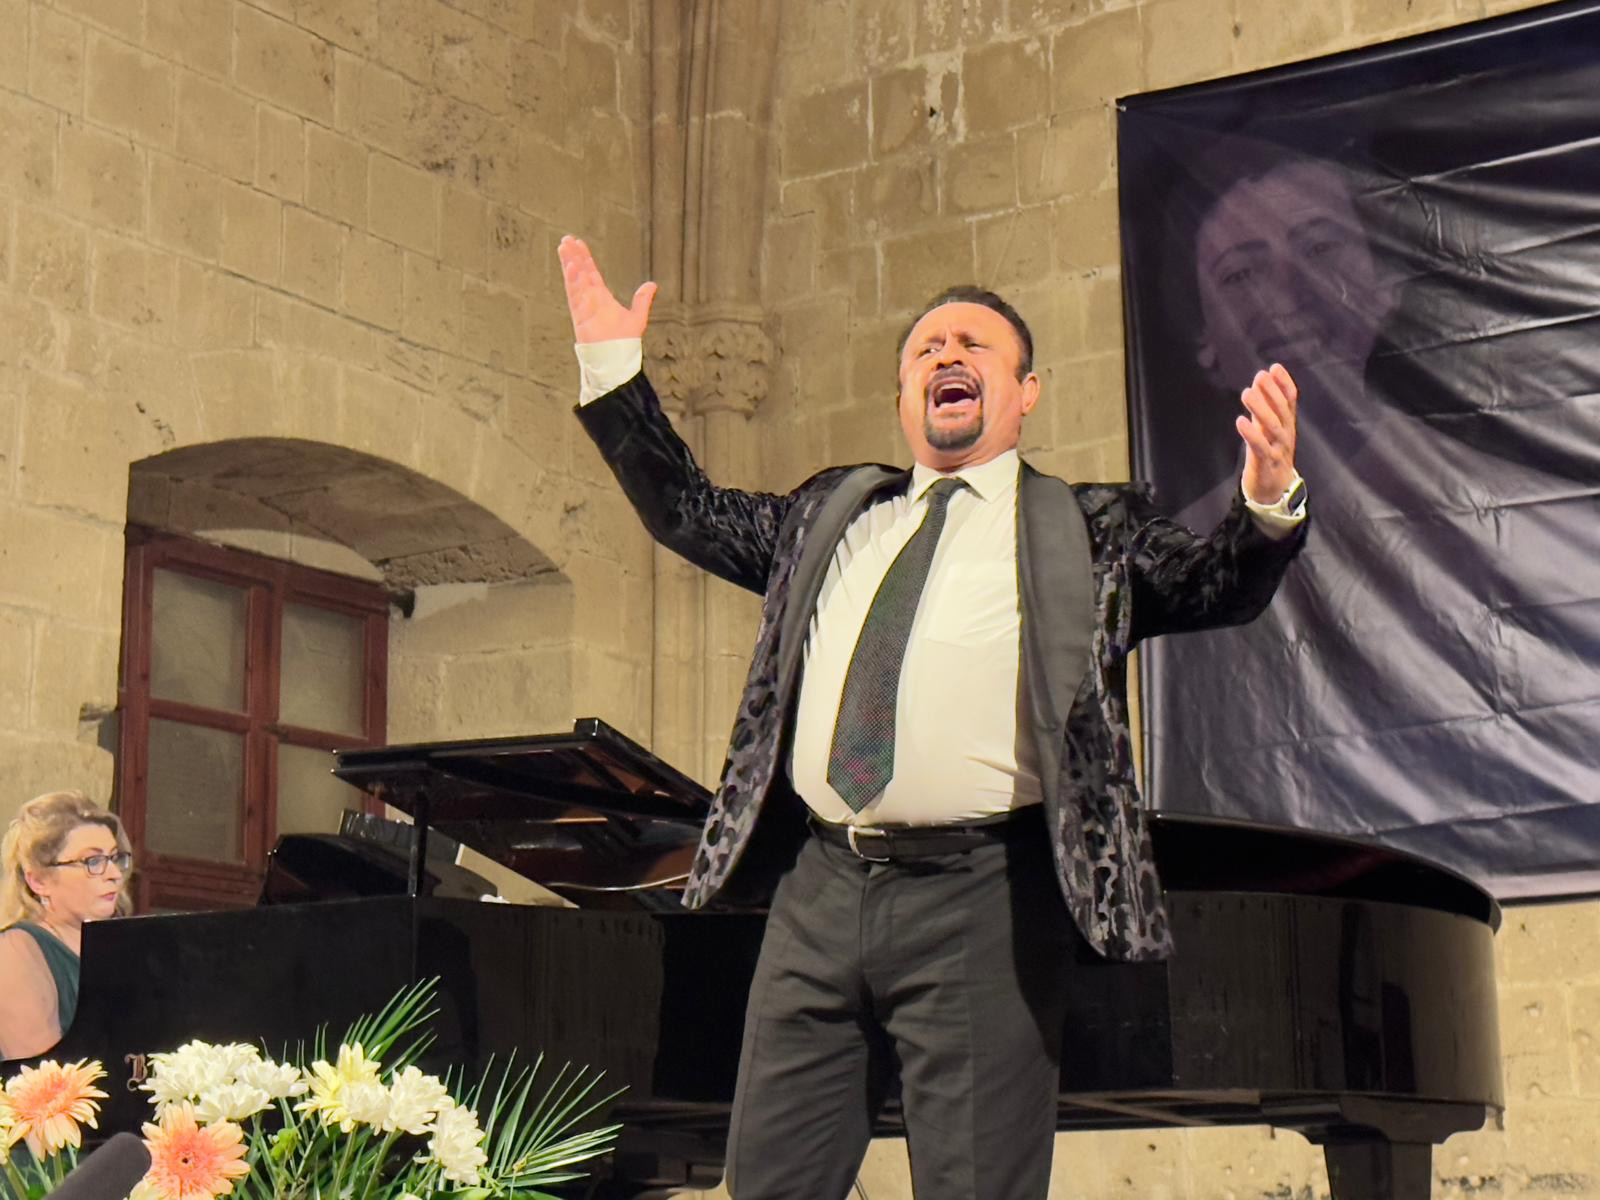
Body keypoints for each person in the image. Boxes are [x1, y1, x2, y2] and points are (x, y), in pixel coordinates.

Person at [558, 234, 1308, 1199]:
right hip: (820, 890)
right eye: (926, 348)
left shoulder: (1089, 529)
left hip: (982, 896)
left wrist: (1265, 504)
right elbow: (688, 512)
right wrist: (615, 373)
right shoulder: (830, 514)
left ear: (1026, 392)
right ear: (904, 394)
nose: (946, 354)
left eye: (973, 344)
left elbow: (1213, 587)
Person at [0, 791, 133, 1060]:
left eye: (115, 858)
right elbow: (39, 1074)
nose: (114, 874)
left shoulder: (123, 949)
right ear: (39, 880)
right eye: (92, 861)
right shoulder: (15, 949)